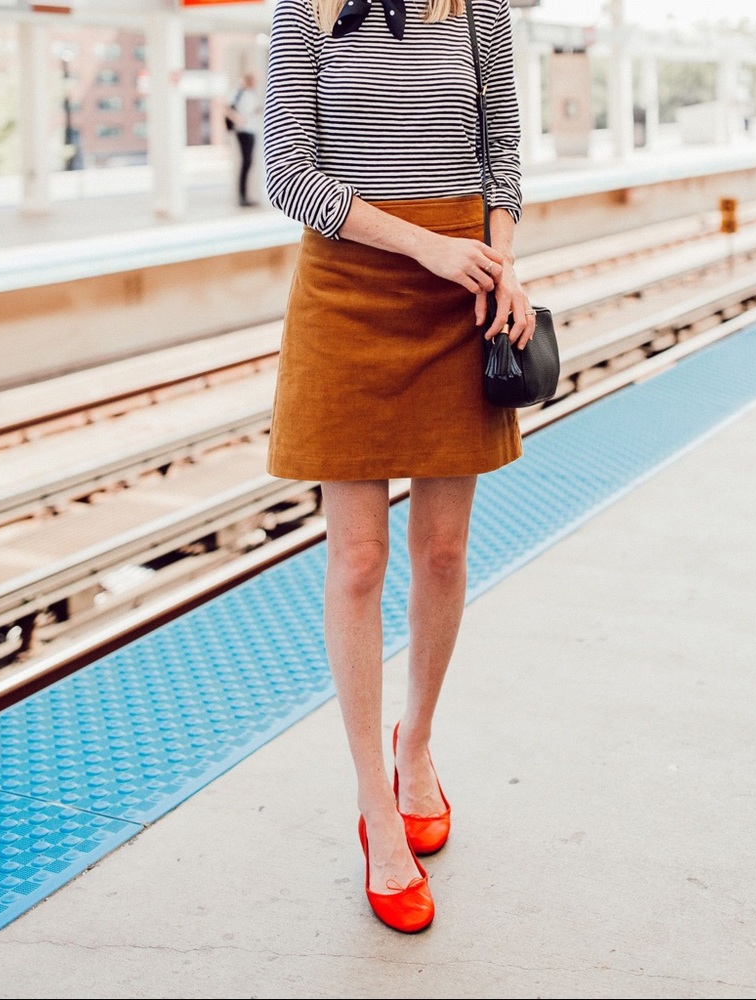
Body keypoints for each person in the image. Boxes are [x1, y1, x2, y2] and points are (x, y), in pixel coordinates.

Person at [262, 0, 535, 934]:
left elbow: (503, 154)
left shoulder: (479, 8)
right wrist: (427, 247)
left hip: (463, 288)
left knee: (446, 551)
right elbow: (289, 176)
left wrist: (503, 268)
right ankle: (377, 812)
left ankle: (414, 746)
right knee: (359, 560)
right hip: (353, 285)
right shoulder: (306, 8)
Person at [225, 71, 261, 207]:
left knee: (249, 162)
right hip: (243, 131)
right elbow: (226, 108)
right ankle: (242, 197)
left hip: (252, 130)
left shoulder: (253, 94)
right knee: (246, 163)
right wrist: (238, 119)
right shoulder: (238, 93)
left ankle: (247, 196)